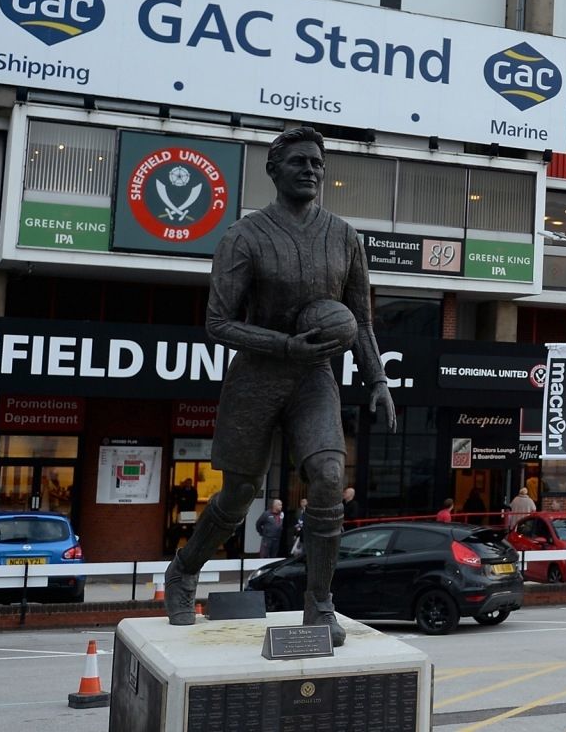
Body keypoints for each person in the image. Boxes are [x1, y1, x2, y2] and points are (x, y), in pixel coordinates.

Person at [161, 128, 399, 650]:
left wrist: (377, 378)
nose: (310, 169)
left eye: (317, 162)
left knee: (330, 477)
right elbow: (218, 323)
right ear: (275, 170)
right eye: (298, 162)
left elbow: (360, 319)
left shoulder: (343, 236)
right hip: (258, 375)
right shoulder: (244, 236)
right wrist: (285, 345)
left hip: (314, 378)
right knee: (240, 494)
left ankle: (319, 604)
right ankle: (182, 572)